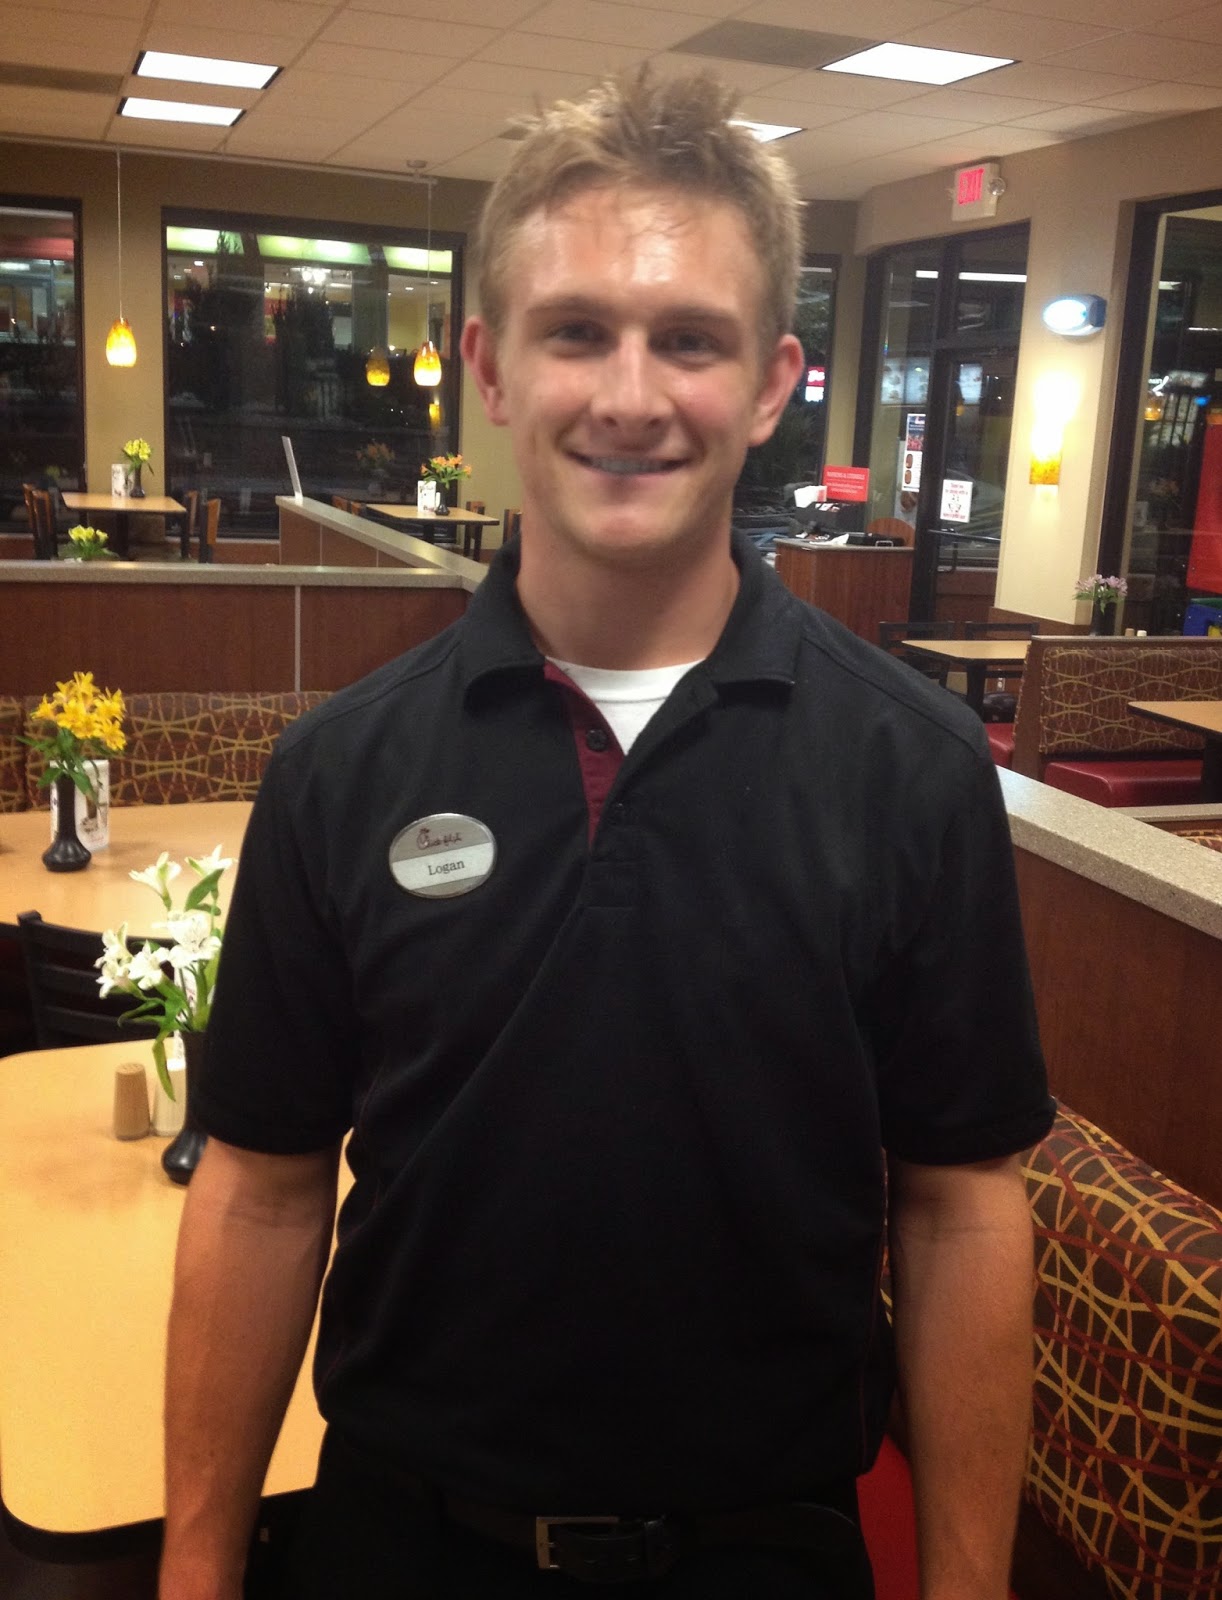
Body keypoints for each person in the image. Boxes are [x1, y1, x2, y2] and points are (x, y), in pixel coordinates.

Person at [160, 68, 1054, 1600]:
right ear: (491, 367)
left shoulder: (911, 768)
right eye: (576, 330)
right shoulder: (338, 771)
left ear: (768, 384)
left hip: (766, 1553)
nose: (631, 397)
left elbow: (959, 1207)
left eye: (688, 340)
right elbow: (259, 1188)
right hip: (399, 1547)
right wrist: (195, 1569)